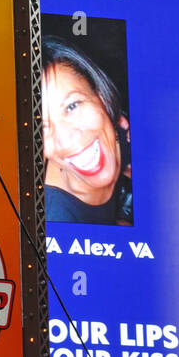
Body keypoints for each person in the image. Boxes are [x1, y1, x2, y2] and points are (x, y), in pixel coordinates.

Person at [41, 36, 132, 225]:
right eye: (42, 127)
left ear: (101, 96)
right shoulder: (56, 218)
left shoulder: (123, 133)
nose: (66, 140)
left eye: (72, 106)